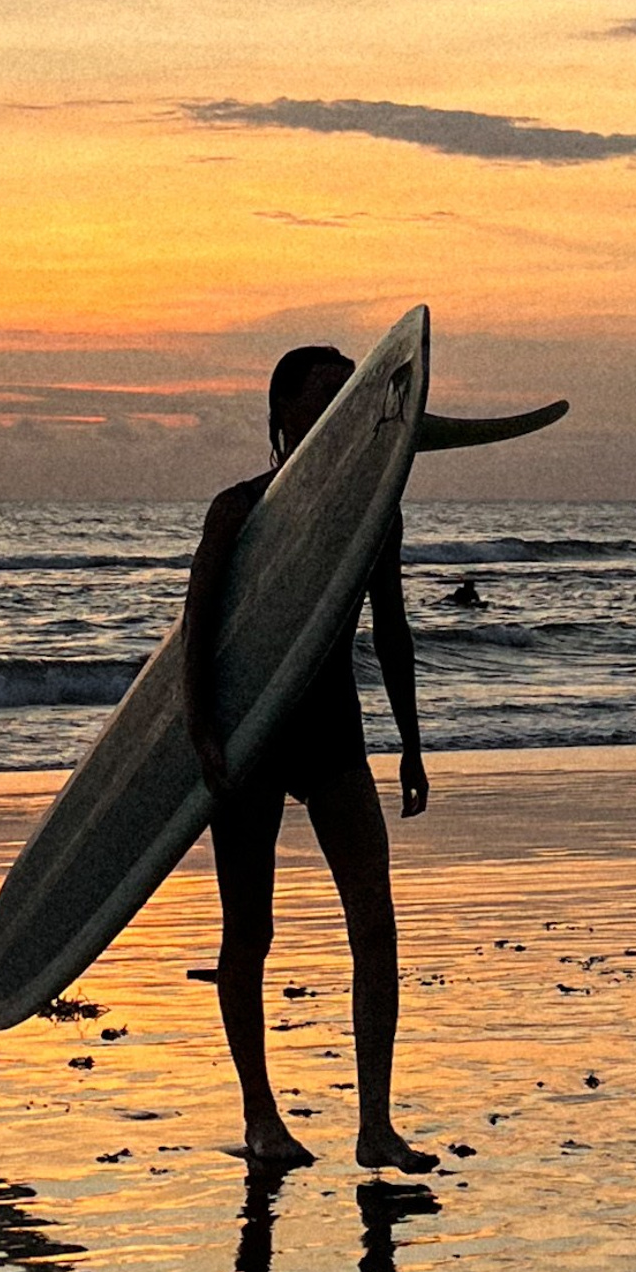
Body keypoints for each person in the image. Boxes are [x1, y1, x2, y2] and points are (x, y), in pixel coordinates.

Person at [181, 344, 437, 1177]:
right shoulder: (238, 510)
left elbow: (391, 630)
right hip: (251, 736)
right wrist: (202, 732)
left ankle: (376, 1126)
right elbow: (196, 630)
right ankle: (261, 1116)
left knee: (375, 922)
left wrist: (411, 743)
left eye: (348, 394)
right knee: (249, 931)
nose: (339, 409)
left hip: (332, 734)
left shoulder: (374, 512)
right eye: (324, 394)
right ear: (283, 413)